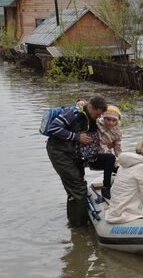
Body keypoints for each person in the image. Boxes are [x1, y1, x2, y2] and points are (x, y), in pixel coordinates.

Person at [46, 96, 108, 227]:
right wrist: (76, 137)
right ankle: (78, 229)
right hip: (59, 152)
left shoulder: (88, 114)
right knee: (78, 189)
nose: (98, 117)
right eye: (97, 114)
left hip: (74, 154)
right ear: (90, 107)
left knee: (78, 186)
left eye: (100, 115)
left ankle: (76, 223)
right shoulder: (73, 113)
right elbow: (53, 128)